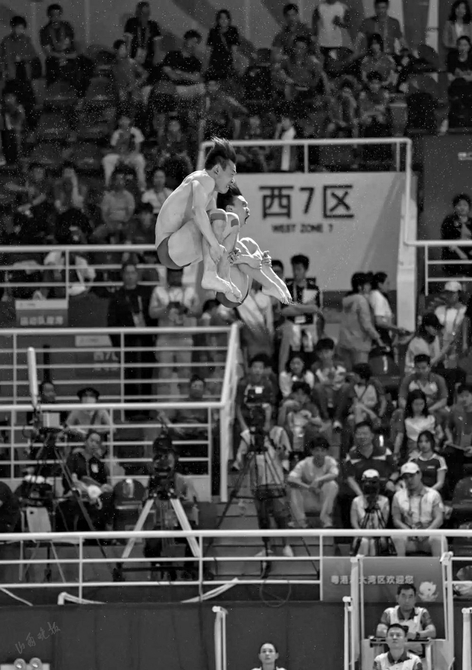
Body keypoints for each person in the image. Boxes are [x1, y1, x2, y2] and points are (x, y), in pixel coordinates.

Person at [234, 412, 293, 562]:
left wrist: (281, 453)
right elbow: (240, 460)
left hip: (276, 479)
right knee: (263, 517)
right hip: (257, 482)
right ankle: (267, 547)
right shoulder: (248, 436)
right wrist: (246, 455)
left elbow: (287, 455)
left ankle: (286, 545)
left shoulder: (279, 432)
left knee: (281, 515)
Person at [143, 444, 198, 580]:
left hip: (180, 523)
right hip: (161, 523)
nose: (165, 464)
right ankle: (165, 568)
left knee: (195, 536)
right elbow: (145, 501)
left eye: (168, 460)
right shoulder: (153, 481)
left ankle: (187, 570)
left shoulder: (183, 480)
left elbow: (191, 501)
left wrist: (177, 499)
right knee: (149, 547)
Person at [58, 430, 114, 531]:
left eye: (97, 442)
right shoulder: (73, 459)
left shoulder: (99, 464)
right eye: (92, 441)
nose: (94, 444)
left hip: (95, 495)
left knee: (108, 498)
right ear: (85, 441)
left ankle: (104, 532)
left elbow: (104, 484)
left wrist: (100, 487)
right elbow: (67, 481)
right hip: (77, 494)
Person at [391, 461, 445, 557]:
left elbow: (439, 518)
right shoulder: (398, 496)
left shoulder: (433, 494)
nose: (409, 480)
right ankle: (400, 566)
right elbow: (396, 520)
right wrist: (410, 532)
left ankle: (439, 567)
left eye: (412, 476)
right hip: (408, 535)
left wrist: (426, 532)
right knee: (397, 537)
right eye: (405, 477)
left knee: (438, 539)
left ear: (419, 475)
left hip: (428, 534)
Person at [287, 435, 339, 528]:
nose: (319, 453)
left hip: (323, 497)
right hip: (307, 497)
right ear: (312, 451)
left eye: (322, 450)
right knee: (293, 488)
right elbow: (291, 478)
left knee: (332, 484)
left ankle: (325, 519)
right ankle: (301, 522)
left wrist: (318, 480)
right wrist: (309, 487)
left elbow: (334, 474)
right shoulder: (304, 463)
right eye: (317, 450)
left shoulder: (330, 461)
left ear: (327, 452)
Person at [338, 272, 383, 370]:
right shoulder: (361, 300)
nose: (369, 287)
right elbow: (366, 324)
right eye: (367, 284)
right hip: (359, 343)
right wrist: (378, 339)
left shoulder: (346, 300)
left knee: (349, 373)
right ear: (359, 286)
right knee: (360, 372)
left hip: (344, 341)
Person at [376, 584, 437, 657]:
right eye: (403, 596)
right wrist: (400, 635)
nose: (407, 600)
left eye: (410, 597)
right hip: (394, 657)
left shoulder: (422, 612)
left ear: (415, 599)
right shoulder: (389, 612)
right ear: (397, 598)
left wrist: (416, 635)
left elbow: (432, 632)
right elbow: (380, 631)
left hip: (417, 657)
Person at [350, 469, 390, 556]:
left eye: (373, 482)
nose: (370, 486)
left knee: (374, 542)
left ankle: (374, 565)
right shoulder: (356, 501)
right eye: (367, 482)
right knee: (363, 542)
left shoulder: (384, 501)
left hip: (378, 534)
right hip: (360, 534)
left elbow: (383, 523)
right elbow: (354, 522)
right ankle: (361, 564)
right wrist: (362, 533)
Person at [394, 389, 442, 460]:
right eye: (416, 404)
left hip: (431, 448)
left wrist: (434, 442)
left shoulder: (432, 415)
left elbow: (440, 433)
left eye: (421, 404)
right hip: (413, 449)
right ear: (410, 404)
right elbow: (400, 436)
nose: (419, 407)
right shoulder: (404, 417)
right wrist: (396, 453)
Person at [102, 114, 146, 191]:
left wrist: (130, 157)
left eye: (126, 119)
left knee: (140, 160)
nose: (124, 121)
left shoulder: (136, 131)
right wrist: (121, 157)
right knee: (107, 159)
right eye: (122, 120)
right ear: (119, 122)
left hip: (133, 156)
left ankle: (142, 187)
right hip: (120, 156)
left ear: (130, 121)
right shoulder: (116, 133)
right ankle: (108, 184)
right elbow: (115, 149)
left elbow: (137, 148)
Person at [124, 1, 162, 70]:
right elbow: (128, 42)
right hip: (133, 58)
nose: (145, 15)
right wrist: (128, 59)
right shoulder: (132, 22)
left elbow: (157, 47)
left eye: (147, 13)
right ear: (138, 12)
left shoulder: (153, 25)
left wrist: (156, 62)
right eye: (143, 13)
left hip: (148, 59)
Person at [440, 193, 472, 276]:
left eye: (465, 205)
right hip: (454, 252)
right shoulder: (449, 221)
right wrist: (461, 254)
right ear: (455, 207)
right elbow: (447, 239)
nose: (462, 207)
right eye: (459, 205)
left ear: (469, 207)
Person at [205, 9, 240, 82]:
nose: (223, 20)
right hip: (215, 62)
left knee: (228, 83)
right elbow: (208, 50)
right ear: (218, 20)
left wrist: (235, 64)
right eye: (221, 18)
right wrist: (206, 65)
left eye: (226, 18)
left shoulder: (233, 30)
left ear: (229, 19)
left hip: (228, 62)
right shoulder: (213, 31)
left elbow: (234, 50)